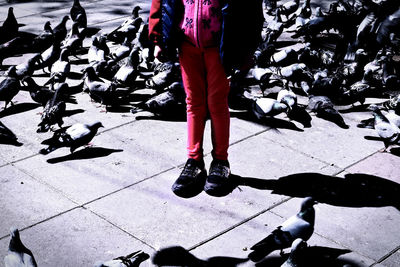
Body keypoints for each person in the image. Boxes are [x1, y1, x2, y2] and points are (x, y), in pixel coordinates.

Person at [149, 0, 264, 198]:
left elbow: (250, 8)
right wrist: (158, 38)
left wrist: (247, 49)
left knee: (217, 103)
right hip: (187, 44)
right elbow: (162, 2)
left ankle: (220, 162)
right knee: (193, 103)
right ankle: (194, 161)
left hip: (219, 47)